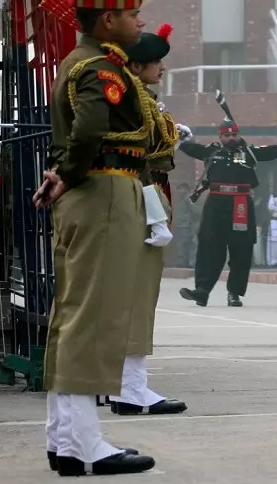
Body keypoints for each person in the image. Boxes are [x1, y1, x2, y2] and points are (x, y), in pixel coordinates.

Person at [14, 0, 196, 476]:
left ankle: (67, 438)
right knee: (93, 319)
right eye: (133, 12)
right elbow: (91, 130)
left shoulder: (89, 63)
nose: (141, 22)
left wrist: (61, 174)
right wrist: (67, 174)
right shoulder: (100, 69)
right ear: (107, 18)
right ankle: (87, 444)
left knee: (75, 315)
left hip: (97, 192)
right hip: (105, 194)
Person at [102, 22, 190, 418]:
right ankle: (129, 388)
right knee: (136, 296)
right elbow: (141, 155)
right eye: (157, 62)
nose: (163, 68)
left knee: (137, 295)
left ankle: (128, 384)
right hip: (142, 196)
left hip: (148, 193)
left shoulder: (142, 97)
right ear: (136, 66)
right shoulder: (133, 100)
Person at [177, 113, 277, 307]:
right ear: (220, 137)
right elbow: (186, 146)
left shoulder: (250, 152)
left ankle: (234, 293)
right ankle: (202, 291)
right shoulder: (211, 151)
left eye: (234, 135)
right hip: (216, 204)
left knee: (241, 250)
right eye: (227, 135)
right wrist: (176, 132)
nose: (231, 138)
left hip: (240, 204)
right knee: (209, 248)